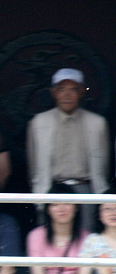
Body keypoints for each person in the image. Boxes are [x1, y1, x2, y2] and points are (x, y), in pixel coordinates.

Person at [27, 68, 109, 232]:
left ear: (81, 92)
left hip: (85, 190)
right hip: (51, 190)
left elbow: (104, 166)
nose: (67, 95)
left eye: (73, 89)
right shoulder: (38, 123)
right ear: (53, 92)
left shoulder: (97, 123)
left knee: (85, 239)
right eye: (62, 89)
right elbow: (33, 165)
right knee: (50, 239)